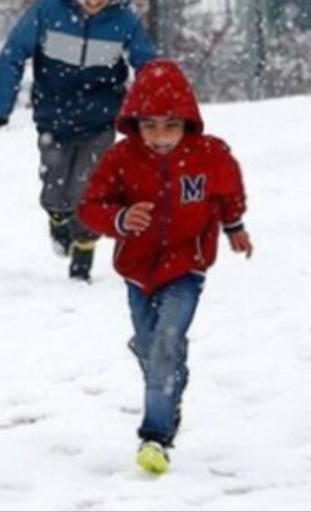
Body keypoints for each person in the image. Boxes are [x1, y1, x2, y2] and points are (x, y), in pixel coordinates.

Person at [78, 59, 252, 474]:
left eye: (171, 126)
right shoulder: (121, 158)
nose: (160, 137)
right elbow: (90, 207)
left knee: (166, 341)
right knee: (149, 344)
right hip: (138, 269)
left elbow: (229, 189)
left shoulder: (209, 155)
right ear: (135, 123)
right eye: (150, 126)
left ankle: (155, 436)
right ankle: (169, 377)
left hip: (186, 266)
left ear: (188, 123)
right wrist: (119, 219)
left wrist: (235, 225)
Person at [0, 0, 159, 280]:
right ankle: (57, 218)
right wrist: (0, 104)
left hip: (100, 120)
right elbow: (13, 54)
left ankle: (84, 248)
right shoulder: (46, 12)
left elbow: (149, 65)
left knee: (90, 187)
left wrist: (157, 106)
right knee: (55, 185)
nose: (94, 1)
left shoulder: (123, 22)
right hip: (53, 116)